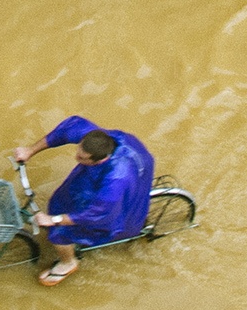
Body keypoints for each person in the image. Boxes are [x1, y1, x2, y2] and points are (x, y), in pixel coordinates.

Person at [13, 115, 155, 286]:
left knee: (59, 232)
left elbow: (97, 213)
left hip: (118, 186)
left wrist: (54, 220)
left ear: (100, 160)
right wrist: (30, 150)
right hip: (125, 169)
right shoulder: (97, 138)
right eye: (78, 152)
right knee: (64, 200)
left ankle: (68, 263)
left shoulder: (116, 179)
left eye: (81, 158)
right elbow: (66, 130)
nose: (76, 158)